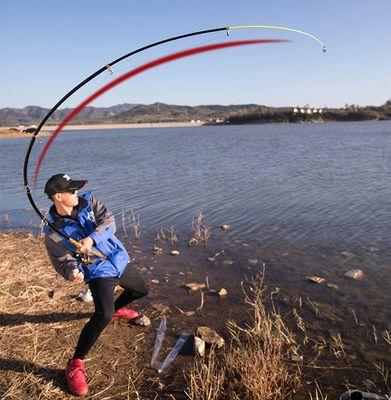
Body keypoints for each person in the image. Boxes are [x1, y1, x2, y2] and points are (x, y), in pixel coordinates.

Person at [43, 173, 148, 397]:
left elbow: (109, 223)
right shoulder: (52, 232)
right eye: (71, 191)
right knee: (103, 315)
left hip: (117, 258)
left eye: (76, 189)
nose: (76, 193)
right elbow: (62, 260)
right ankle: (75, 363)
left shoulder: (90, 202)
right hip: (98, 271)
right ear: (58, 197)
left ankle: (118, 308)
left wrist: (91, 239)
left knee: (141, 290)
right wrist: (72, 271)